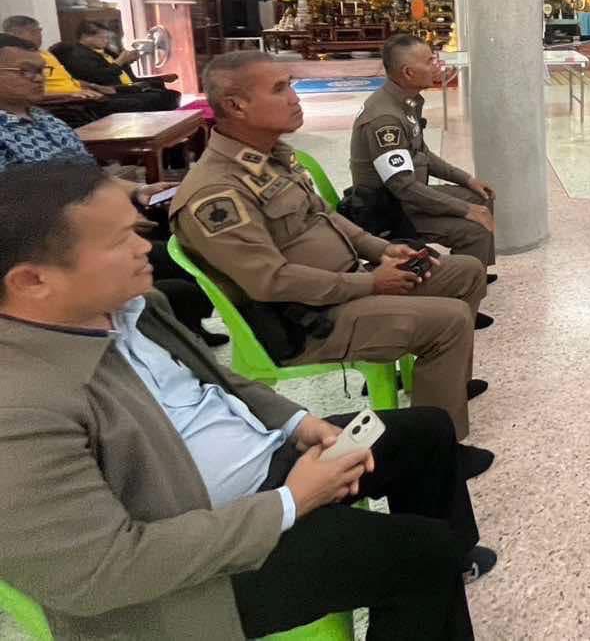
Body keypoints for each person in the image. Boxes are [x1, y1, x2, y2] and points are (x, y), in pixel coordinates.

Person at [0, 164, 495, 640]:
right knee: (422, 555)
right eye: (119, 241)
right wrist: (290, 502)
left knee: (425, 431)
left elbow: (220, 383)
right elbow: (99, 573)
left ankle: (451, 575)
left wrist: (299, 423)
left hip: (257, 473)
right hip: (195, 577)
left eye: (137, 231)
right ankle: (439, 571)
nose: (144, 248)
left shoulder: (130, 308)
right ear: (31, 281)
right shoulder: (20, 409)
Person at [170, 50, 493, 454]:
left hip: (348, 283)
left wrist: (384, 249)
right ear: (236, 106)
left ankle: (440, 386)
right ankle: (436, 448)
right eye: (279, 89)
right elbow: (271, 281)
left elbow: (329, 217)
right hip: (307, 320)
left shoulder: (272, 159)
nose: (295, 98)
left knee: (464, 271)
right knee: (450, 319)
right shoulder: (216, 192)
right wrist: (370, 284)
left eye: (290, 85)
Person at [0, 33, 222, 344]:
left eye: (41, 70)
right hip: (51, 242)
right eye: (26, 71)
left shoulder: (48, 121)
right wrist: (106, 220)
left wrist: (137, 190)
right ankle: (155, 339)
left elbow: (89, 174)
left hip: (97, 219)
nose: (38, 79)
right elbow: (16, 208)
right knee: (172, 277)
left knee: (190, 239)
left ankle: (188, 333)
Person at [351, 35, 497, 269]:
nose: (437, 65)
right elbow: (403, 187)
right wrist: (465, 210)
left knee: (482, 197)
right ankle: (465, 284)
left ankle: (475, 273)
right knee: (474, 229)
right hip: (390, 210)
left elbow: (422, 154)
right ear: (408, 72)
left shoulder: (405, 102)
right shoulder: (385, 119)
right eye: (429, 61)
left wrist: (467, 179)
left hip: (408, 197)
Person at [1, 13, 109, 124]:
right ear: (13, 34)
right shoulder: (13, 58)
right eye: (35, 32)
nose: (40, 78)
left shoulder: (44, 54)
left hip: (79, 99)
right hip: (65, 105)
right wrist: (67, 96)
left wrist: (93, 86)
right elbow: (29, 93)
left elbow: (69, 80)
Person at [51, 20, 181, 112]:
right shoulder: (78, 55)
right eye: (102, 37)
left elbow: (130, 77)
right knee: (156, 99)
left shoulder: (107, 51)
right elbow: (101, 77)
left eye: (107, 37)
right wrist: (121, 61)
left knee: (170, 95)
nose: (106, 41)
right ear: (85, 36)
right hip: (112, 91)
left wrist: (158, 77)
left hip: (129, 87)